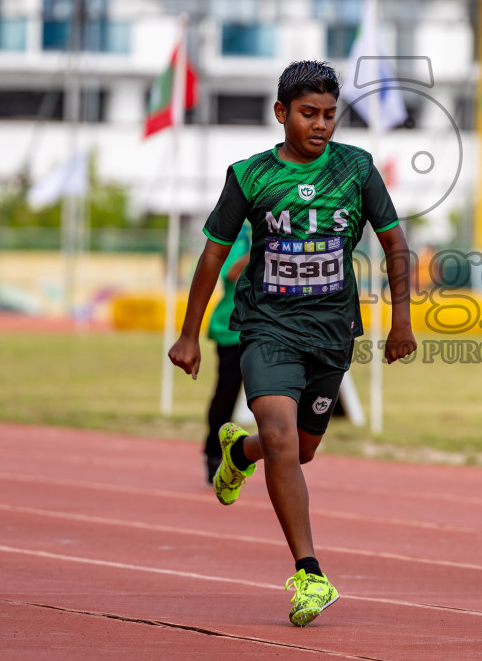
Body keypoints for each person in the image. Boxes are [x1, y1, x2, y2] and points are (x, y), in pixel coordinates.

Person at [167, 60, 415, 627]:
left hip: (332, 333)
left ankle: (239, 451)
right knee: (281, 437)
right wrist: (189, 333)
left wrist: (401, 322)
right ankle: (309, 573)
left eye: (330, 114)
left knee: (297, 451)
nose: (321, 124)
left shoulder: (356, 168)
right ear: (281, 114)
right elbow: (212, 253)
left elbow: (395, 244)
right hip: (267, 329)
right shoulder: (250, 175)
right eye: (309, 114)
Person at [203, 222, 251, 482]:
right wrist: (264, 246)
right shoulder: (240, 230)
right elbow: (231, 273)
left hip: (272, 327)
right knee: (227, 393)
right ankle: (213, 454)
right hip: (233, 327)